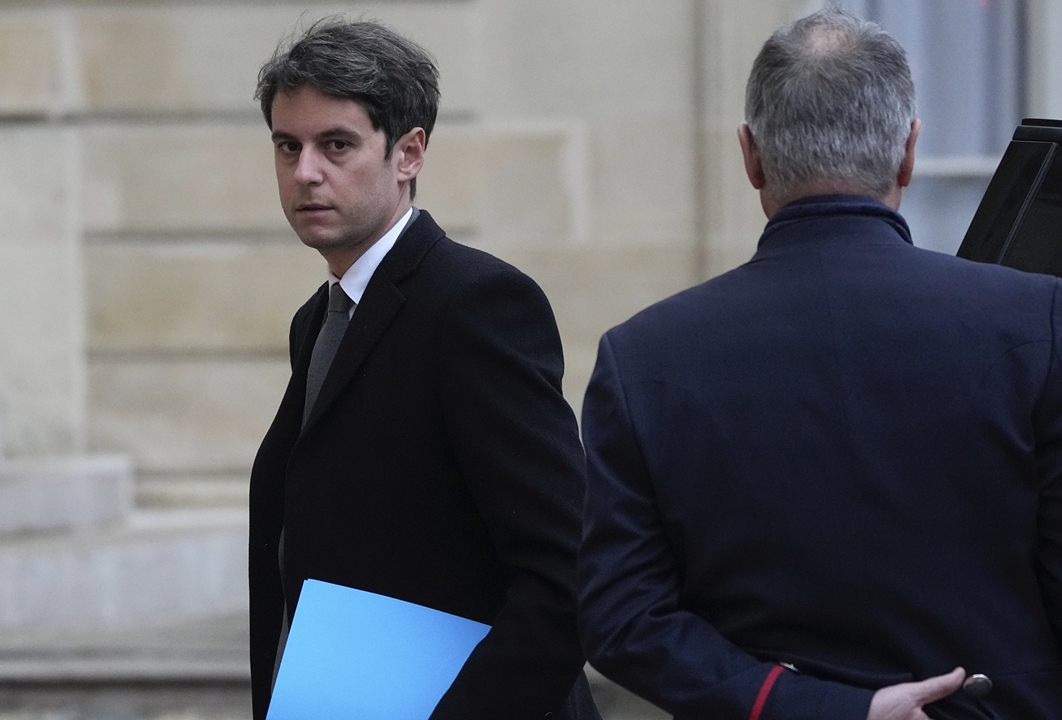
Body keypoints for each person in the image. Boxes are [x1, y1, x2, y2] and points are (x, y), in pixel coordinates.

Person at [577, 9, 1062, 720]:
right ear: (909, 151)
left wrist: (821, 705)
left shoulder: (644, 354)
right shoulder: (1036, 319)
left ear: (750, 155)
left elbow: (624, 621)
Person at [248, 18, 598, 720]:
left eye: (336, 145)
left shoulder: (477, 304)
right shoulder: (318, 319)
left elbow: (568, 572)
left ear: (408, 153)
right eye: (288, 146)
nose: (305, 172)